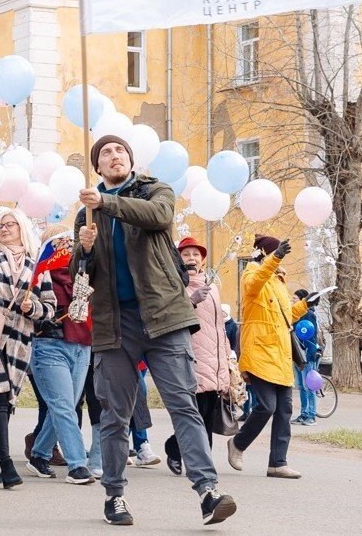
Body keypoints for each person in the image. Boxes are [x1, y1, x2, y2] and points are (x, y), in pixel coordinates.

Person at [73, 135, 236, 526]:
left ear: (130, 160)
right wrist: (84, 248)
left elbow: (158, 217)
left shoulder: (154, 190)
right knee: (115, 414)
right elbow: (82, 274)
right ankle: (115, 496)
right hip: (115, 325)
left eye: (121, 151)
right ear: (97, 168)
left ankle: (208, 492)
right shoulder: (88, 214)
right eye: (106, 153)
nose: (115, 156)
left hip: (164, 316)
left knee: (183, 404)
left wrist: (106, 202)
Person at [0, 206, 55, 491]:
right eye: (2, 225)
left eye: (11, 225)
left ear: (22, 229)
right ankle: (6, 464)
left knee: (6, 401)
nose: (5, 229)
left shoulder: (37, 266)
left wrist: (36, 308)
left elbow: (50, 307)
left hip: (20, 339)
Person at [228, 235, 316, 481]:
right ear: (266, 253)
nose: (281, 260)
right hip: (258, 351)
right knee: (266, 406)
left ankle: (278, 463)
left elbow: (284, 316)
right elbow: (253, 286)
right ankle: (238, 443)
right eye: (277, 253)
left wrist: (305, 305)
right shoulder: (252, 273)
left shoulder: (278, 280)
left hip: (279, 353)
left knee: (285, 410)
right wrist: (274, 258)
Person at [26, 227, 95, 485]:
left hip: (82, 343)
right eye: (59, 242)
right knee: (64, 406)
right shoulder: (37, 275)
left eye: (69, 241)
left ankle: (39, 454)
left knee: (64, 406)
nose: (66, 246)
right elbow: (29, 308)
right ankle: (77, 465)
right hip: (49, 345)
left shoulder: (83, 274)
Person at [165, 237, 233, 476]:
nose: (191, 258)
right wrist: (190, 301)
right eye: (186, 254)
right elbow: (171, 316)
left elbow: (219, 327)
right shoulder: (175, 285)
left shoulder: (213, 286)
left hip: (214, 360)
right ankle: (182, 452)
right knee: (195, 414)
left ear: (202, 259)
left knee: (206, 415)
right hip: (190, 357)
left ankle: (191, 455)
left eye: (195, 254)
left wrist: (226, 359)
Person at [290, 289, 318, 427]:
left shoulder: (309, 315)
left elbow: (311, 335)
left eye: (295, 299)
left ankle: (311, 415)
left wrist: (309, 353)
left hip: (307, 354)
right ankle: (303, 414)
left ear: (302, 300)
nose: (292, 301)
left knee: (309, 386)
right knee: (301, 386)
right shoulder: (295, 315)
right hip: (297, 354)